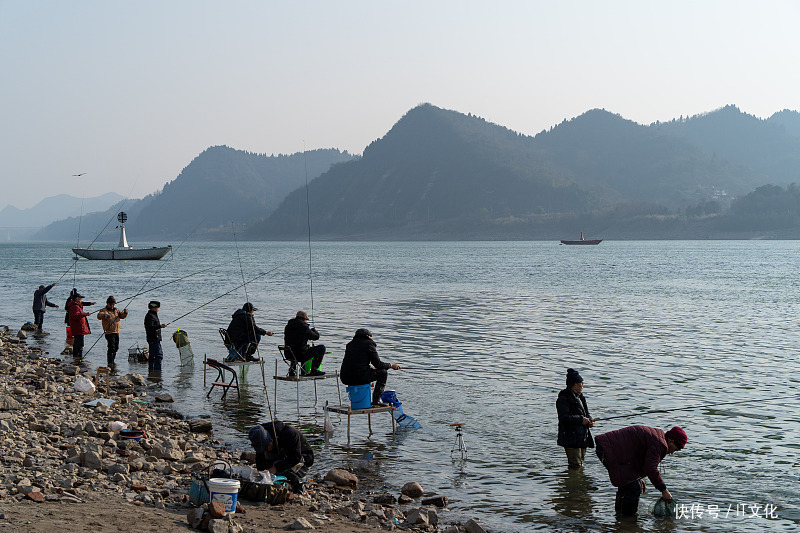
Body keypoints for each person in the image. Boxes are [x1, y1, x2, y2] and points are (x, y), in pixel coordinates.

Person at [595, 425, 688, 516]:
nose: (672, 452)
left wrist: (637, 477)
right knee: (634, 488)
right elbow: (651, 468)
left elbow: (639, 457)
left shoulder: (658, 437)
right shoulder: (660, 444)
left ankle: (620, 517)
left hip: (608, 447)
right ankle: (628, 520)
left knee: (628, 483)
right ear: (671, 441)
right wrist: (664, 490)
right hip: (609, 449)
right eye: (675, 449)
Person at [340, 328, 402, 407]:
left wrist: (369, 368)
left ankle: (366, 401)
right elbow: (378, 364)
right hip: (359, 377)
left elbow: (356, 363)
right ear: (367, 336)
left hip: (346, 378)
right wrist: (391, 365)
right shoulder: (369, 344)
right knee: (383, 373)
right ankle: (376, 401)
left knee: (371, 372)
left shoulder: (350, 345)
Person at [248, 420, 314, 493]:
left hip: (302, 459)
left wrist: (276, 468)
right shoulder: (259, 435)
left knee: (282, 470)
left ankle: (298, 482)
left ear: (271, 440)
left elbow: (295, 458)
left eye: (266, 448)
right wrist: (261, 473)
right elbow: (259, 455)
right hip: (281, 455)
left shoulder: (291, 434)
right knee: (268, 462)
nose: (265, 450)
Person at [556, 368, 594, 469]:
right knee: (575, 465)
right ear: (575, 384)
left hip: (582, 437)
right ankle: (573, 483)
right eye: (581, 383)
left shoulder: (581, 397)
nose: (582, 385)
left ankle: (577, 481)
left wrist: (589, 420)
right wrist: (581, 419)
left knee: (580, 464)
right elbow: (564, 418)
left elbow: (587, 413)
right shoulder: (563, 398)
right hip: (571, 438)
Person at [283, 310, 325, 376]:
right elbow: (316, 337)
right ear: (304, 319)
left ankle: (292, 370)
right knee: (322, 348)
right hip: (300, 355)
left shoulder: (288, 326)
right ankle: (314, 370)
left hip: (288, 354)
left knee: (295, 347)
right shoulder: (304, 327)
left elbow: (297, 337)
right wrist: (314, 331)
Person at [97, 296, 128, 366]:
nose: (112, 306)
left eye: (113, 304)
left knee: (116, 348)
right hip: (109, 332)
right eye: (111, 304)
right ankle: (110, 363)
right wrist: (105, 315)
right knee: (111, 347)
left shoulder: (116, 310)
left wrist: (125, 313)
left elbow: (122, 316)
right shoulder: (103, 310)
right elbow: (99, 316)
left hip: (116, 331)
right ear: (107, 303)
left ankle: (113, 361)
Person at [66, 293, 94, 358]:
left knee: (77, 342)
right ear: (77, 298)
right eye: (80, 298)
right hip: (78, 328)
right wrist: (85, 314)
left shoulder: (77, 306)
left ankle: (76, 357)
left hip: (78, 327)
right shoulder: (75, 306)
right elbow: (75, 316)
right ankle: (78, 357)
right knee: (79, 344)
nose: (81, 300)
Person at [144, 300, 167, 372]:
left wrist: (160, 326)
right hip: (154, 340)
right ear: (153, 308)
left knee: (152, 357)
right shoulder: (150, 316)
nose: (158, 309)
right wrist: (160, 326)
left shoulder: (153, 315)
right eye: (157, 307)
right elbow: (150, 327)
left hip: (154, 339)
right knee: (158, 356)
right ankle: (157, 373)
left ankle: (151, 373)